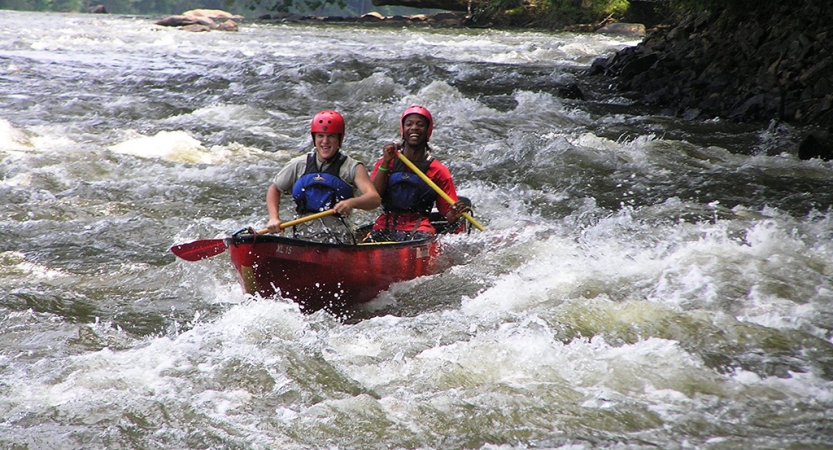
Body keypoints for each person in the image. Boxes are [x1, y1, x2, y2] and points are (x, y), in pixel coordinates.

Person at [266, 110, 381, 244]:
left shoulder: (352, 167)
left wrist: (352, 203)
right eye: (320, 136)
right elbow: (274, 190)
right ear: (314, 139)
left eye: (331, 136)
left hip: (338, 240)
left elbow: (374, 199)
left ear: (340, 139)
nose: (325, 141)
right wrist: (274, 218)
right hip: (303, 237)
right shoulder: (298, 165)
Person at [368, 105, 468, 242]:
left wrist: (456, 214)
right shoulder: (386, 162)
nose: (414, 128)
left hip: (420, 229)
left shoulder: (438, 170)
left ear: (427, 131)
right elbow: (373, 198)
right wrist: (385, 163)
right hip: (384, 225)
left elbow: (448, 216)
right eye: (409, 124)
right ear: (403, 130)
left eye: (420, 125)